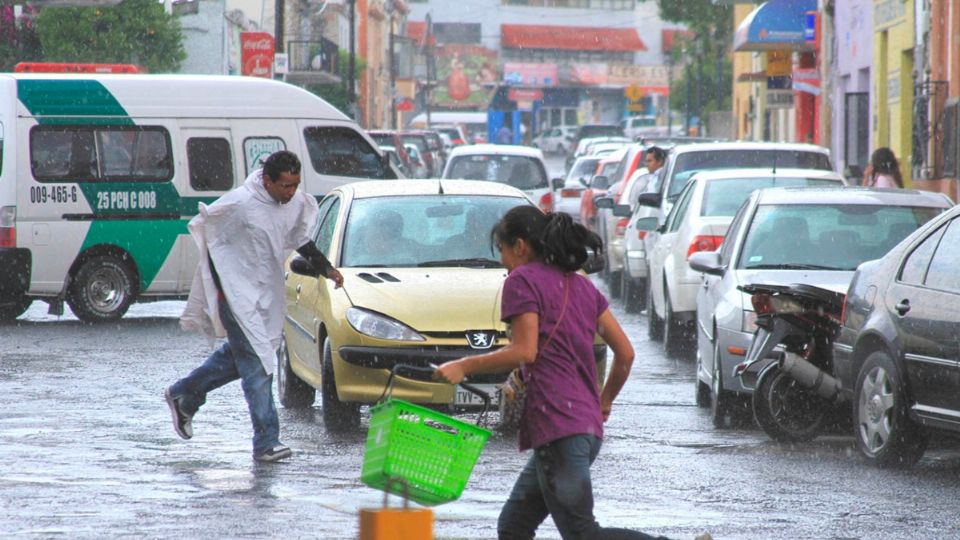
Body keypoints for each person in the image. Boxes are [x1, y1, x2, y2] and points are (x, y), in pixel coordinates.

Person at [434, 206, 674, 540]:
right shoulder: (582, 286)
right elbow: (626, 354)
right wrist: (603, 402)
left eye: (501, 250)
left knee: (582, 534)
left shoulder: (522, 280)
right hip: (584, 428)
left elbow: (524, 350)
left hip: (558, 426)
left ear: (519, 246)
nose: (502, 261)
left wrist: (463, 366)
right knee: (514, 525)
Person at [165, 150, 344, 463]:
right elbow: (209, 233)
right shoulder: (240, 204)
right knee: (259, 366)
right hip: (236, 296)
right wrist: (221, 289)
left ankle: (185, 393)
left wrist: (326, 269)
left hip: (265, 294)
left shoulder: (295, 204)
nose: (291, 192)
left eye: (295, 185)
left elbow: (299, 238)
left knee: (242, 358)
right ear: (267, 180)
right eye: (285, 186)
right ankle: (266, 440)